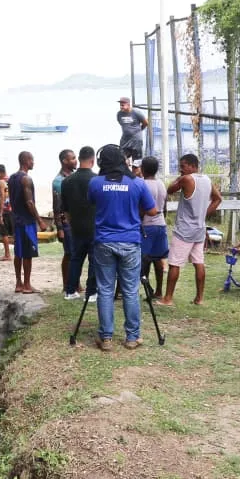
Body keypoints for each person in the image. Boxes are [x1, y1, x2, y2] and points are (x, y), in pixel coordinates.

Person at [87, 145, 159, 350]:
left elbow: (92, 202)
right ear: (122, 161)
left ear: (102, 162)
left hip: (103, 242)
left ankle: (106, 337)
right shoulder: (137, 183)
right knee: (130, 291)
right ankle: (132, 337)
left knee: (106, 290)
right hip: (130, 241)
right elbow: (152, 210)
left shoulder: (95, 183)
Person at [161, 153, 222, 306]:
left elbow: (169, 190)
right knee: (198, 262)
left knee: (174, 263)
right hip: (199, 229)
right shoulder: (207, 180)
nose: (181, 169)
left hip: (184, 230)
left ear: (193, 166)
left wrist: (179, 177)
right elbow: (218, 199)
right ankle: (199, 298)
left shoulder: (186, 179)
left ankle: (168, 298)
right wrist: (203, 215)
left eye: (183, 166)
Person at [60, 145, 97, 301]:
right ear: (93, 160)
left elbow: (65, 209)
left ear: (80, 159)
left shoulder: (67, 181)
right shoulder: (97, 180)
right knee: (94, 260)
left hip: (76, 226)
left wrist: (71, 222)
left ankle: (70, 290)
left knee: (76, 258)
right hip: (94, 225)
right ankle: (91, 292)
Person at [8, 151, 41, 294]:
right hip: (27, 221)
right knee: (28, 253)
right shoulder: (26, 179)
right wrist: (39, 220)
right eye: (32, 160)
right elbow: (29, 202)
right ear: (26, 161)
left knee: (18, 253)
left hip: (17, 219)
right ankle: (27, 284)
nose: (33, 162)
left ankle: (18, 283)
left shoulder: (12, 178)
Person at [139, 156, 170, 298]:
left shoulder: (141, 184)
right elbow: (165, 206)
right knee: (159, 258)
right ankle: (158, 290)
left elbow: (141, 207)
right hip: (161, 224)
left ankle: (147, 288)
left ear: (143, 169)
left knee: (143, 259)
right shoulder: (161, 184)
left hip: (147, 225)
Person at [53, 149, 77, 292]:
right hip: (66, 223)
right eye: (72, 158)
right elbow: (56, 207)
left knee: (76, 254)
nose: (75, 161)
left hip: (75, 222)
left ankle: (74, 282)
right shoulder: (58, 181)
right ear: (64, 161)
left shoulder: (73, 177)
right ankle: (65, 284)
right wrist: (60, 228)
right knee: (68, 253)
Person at [116, 96, 149, 163]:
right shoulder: (119, 114)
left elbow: (145, 123)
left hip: (136, 141)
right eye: (120, 105)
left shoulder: (136, 112)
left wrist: (139, 131)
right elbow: (122, 124)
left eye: (123, 105)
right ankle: (125, 172)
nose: (121, 107)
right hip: (125, 140)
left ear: (128, 104)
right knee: (121, 159)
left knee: (137, 163)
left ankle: (136, 172)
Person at [0, 164, 13, 261]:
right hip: (13, 209)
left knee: (4, 233)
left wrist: (0, 214)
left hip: (5, 210)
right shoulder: (11, 180)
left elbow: (2, 197)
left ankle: (7, 254)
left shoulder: (1, 182)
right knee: (14, 233)